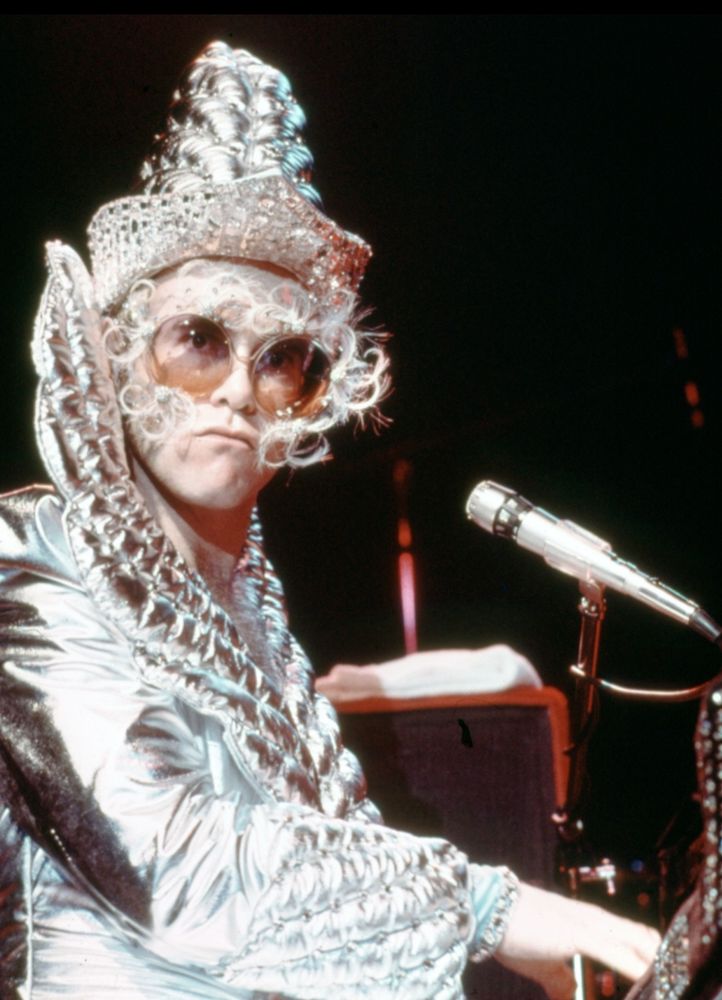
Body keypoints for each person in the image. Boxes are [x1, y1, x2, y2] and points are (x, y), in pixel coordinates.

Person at [0, 41, 658, 999]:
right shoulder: (30, 558)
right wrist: (495, 909)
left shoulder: (252, 607)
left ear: (313, 399)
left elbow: (322, 886)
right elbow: (184, 878)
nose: (236, 388)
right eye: (198, 340)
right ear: (121, 355)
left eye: (281, 359)